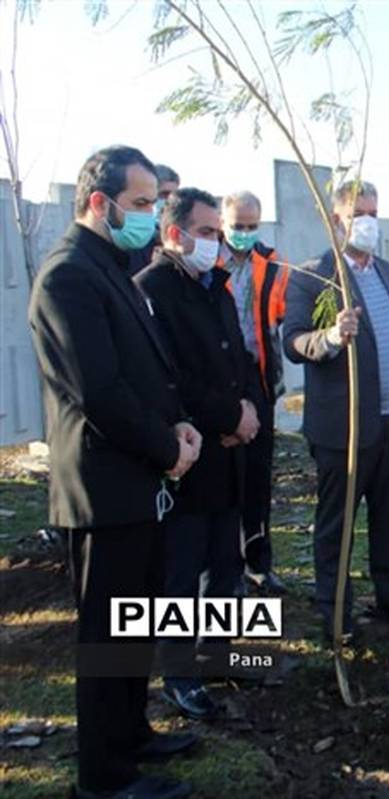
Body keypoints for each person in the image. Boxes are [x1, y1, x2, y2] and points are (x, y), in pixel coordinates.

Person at [28, 145, 199, 799]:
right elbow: (98, 392)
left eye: (154, 203)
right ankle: (104, 778)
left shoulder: (113, 271)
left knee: (135, 620)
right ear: (99, 203)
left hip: (140, 482)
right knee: (105, 639)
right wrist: (167, 449)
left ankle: (132, 735)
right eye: (140, 203)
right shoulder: (68, 275)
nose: (151, 216)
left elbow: (147, 372)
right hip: (103, 488)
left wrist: (178, 423)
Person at [283, 179, 389, 642]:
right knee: (337, 525)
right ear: (335, 220)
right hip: (343, 429)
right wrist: (328, 338)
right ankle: (335, 609)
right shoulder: (314, 276)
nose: (367, 222)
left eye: (373, 212)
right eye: (358, 213)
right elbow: (293, 341)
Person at [135, 187, 256, 721]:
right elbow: (167, 379)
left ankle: (221, 655)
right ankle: (179, 676)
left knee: (226, 564)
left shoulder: (218, 288)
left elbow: (240, 358)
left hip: (231, 455)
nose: (216, 243)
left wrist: (249, 410)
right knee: (182, 573)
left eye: (217, 233)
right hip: (186, 456)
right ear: (174, 235)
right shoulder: (151, 291)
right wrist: (227, 418)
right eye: (207, 233)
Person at [219, 190, 290, 593]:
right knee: (225, 478)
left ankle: (259, 561)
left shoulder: (272, 263)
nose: (243, 233)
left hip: (258, 375)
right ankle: (226, 568)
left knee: (259, 477)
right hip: (219, 378)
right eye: (237, 226)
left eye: (251, 226)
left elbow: (281, 316)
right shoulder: (207, 259)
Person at [128, 163, 180, 275]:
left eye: (174, 196)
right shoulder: (134, 240)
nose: (170, 201)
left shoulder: (180, 239)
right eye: (164, 194)